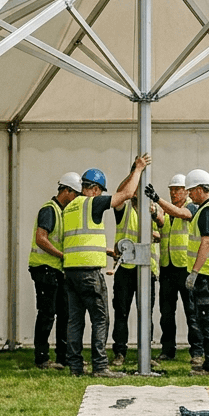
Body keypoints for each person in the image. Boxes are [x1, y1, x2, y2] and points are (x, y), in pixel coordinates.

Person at [61, 154, 150, 377]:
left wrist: (104, 251)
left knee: (75, 320)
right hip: (89, 273)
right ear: (94, 189)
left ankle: (75, 366)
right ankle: (100, 366)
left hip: (71, 271)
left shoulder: (70, 208)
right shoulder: (93, 202)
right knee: (101, 317)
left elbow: (79, 239)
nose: (100, 194)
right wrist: (138, 169)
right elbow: (126, 195)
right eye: (100, 190)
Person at [157, 168, 209, 376]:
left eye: (189, 190)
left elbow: (206, 241)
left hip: (208, 274)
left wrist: (194, 272)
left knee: (208, 318)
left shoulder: (206, 211)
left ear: (198, 189)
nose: (189, 194)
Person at [28, 172, 80, 370]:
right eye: (74, 194)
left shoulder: (62, 211)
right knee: (47, 314)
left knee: (63, 313)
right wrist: (62, 255)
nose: (75, 199)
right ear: (66, 191)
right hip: (45, 269)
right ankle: (41, 358)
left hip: (55, 270)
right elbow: (41, 238)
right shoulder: (49, 210)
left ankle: (63, 356)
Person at [150, 174, 202, 367]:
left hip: (185, 267)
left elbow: (183, 215)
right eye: (171, 189)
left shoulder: (191, 206)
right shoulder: (169, 211)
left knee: (192, 311)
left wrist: (158, 200)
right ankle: (167, 350)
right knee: (166, 312)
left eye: (177, 189)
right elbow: (163, 226)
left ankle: (197, 351)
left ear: (186, 191)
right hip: (168, 267)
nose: (173, 193)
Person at [109, 185, 163, 368]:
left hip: (147, 269)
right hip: (126, 267)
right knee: (121, 312)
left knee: (146, 313)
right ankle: (119, 352)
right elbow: (119, 192)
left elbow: (163, 229)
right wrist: (135, 171)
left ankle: (146, 353)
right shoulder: (123, 210)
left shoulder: (152, 210)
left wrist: (154, 218)